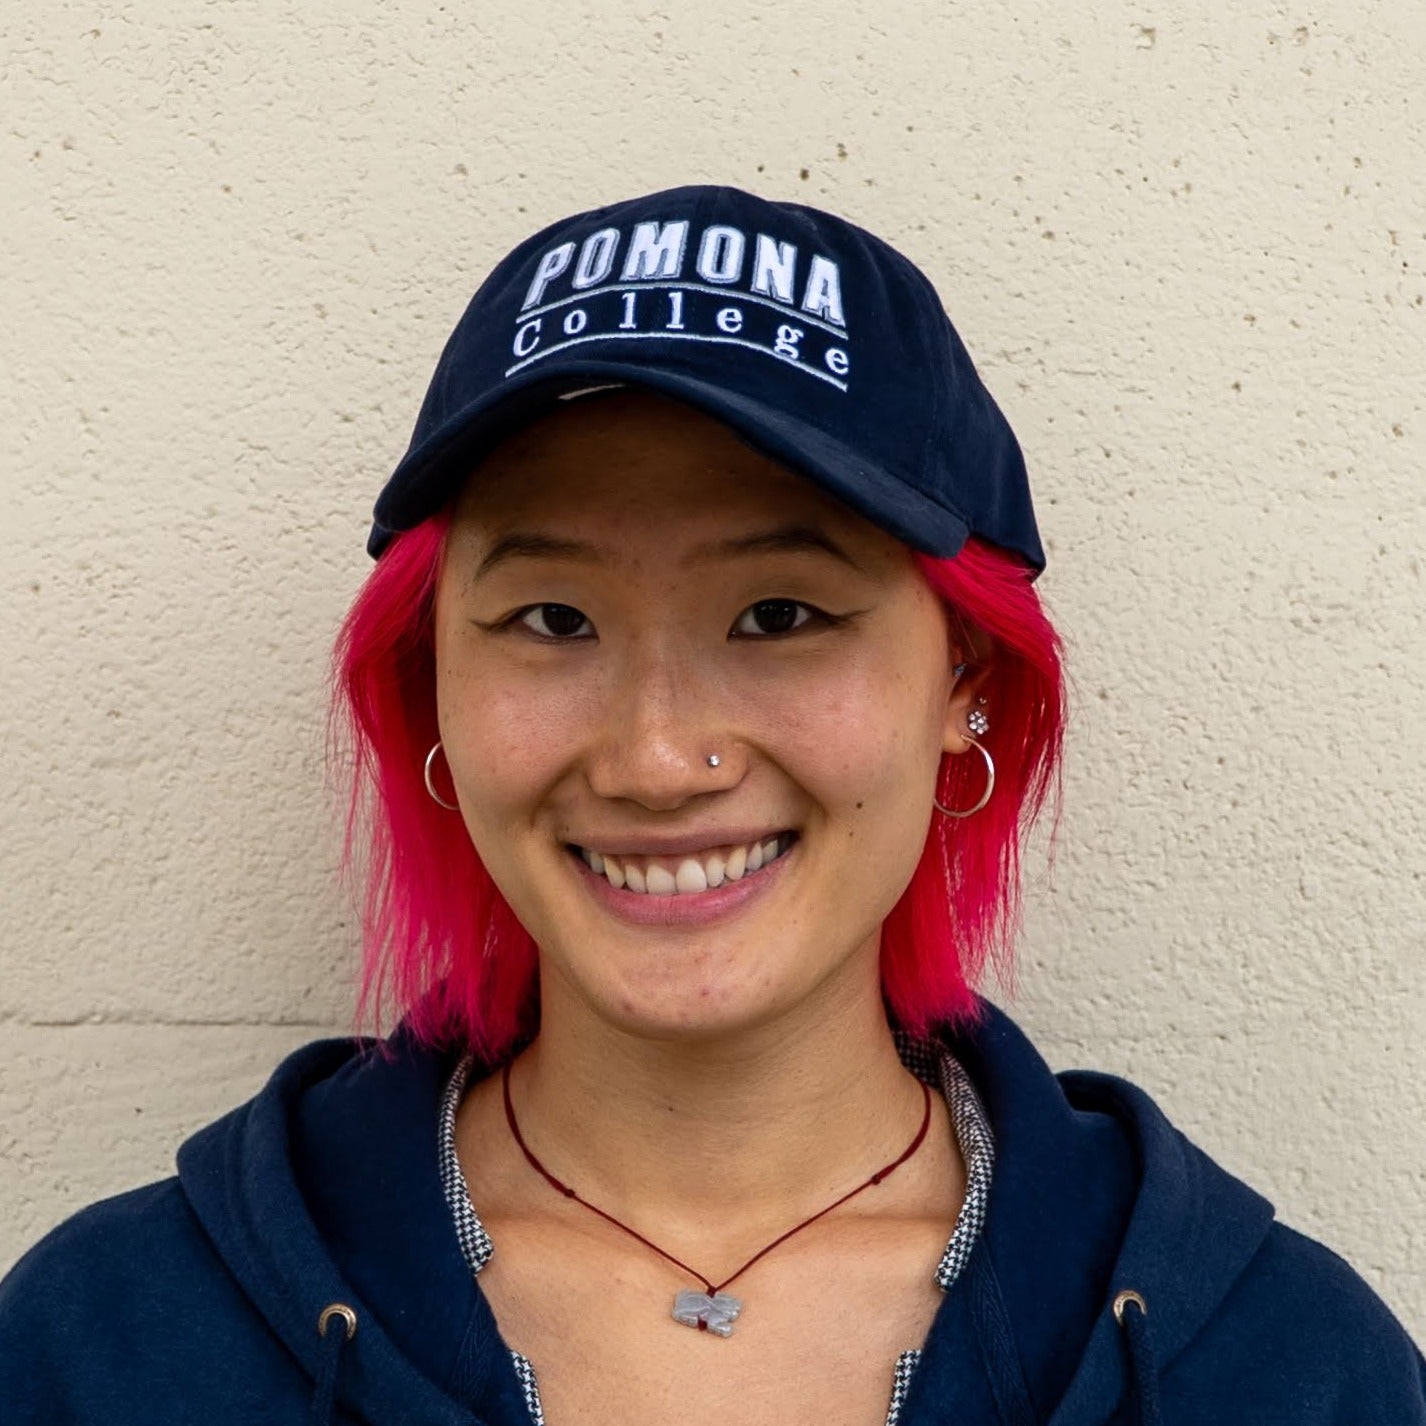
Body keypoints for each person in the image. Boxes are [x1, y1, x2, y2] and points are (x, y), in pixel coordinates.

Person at [0, 184, 1420, 1425]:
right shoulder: (104, 1347)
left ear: (962, 682)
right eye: (552, 617)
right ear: (430, 681)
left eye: (780, 612)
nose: (654, 756)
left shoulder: (1282, 1367)